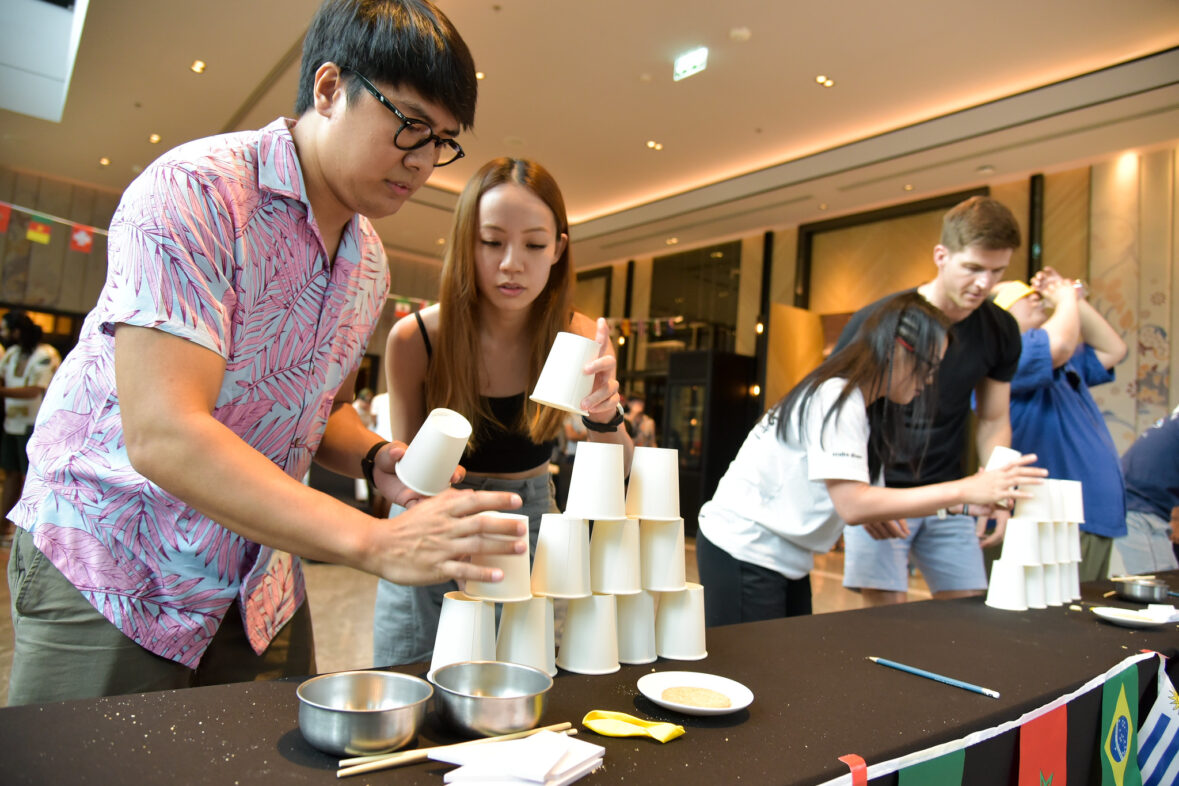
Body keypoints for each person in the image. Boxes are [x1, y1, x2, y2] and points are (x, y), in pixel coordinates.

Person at [6, 0, 529, 706]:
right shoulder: (196, 193)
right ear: (327, 88)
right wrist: (371, 543)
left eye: (442, 140)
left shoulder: (367, 260)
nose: (423, 161)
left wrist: (376, 458)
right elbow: (164, 434)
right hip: (117, 563)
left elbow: (319, 410)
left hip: (256, 575)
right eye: (408, 125)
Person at [373, 157, 633, 666]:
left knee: (518, 687)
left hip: (529, 518)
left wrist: (606, 414)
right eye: (492, 241)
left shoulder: (580, 336)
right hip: (434, 516)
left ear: (558, 249)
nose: (512, 263)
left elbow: (616, 473)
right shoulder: (418, 338)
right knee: (414, 682)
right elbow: (406, 478)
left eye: (534, 244)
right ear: (466, 242)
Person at [696, 293, 1045, 624]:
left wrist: (956, 506)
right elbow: (854, 505)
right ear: (896, 350)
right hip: (746, 548)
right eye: (929, 365)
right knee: (754, 672)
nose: (931, 379)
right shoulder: (836, 396)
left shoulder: (867, 408)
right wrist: (964, 491)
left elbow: (867, 504)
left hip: (784, 558)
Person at [836, 196, 1024, 605]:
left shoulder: (1001, 329)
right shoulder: (881, 319)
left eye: (997, 271)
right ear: (941, 255)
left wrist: (998, 490)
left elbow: (994, 419)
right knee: (887, 619)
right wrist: (866, 494)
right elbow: (839, 411)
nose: (984, 284)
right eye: (973, 268)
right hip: (881, 490)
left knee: (968, 614)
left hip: (951, 492)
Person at [990, 267, 1128, 581]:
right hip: (1050, 518)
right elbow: (1060, 344)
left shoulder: (1064, 365)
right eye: (1024, 297)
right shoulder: (1008, 356)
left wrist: (1071, 297)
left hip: (1087, 515)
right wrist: (1065, 296)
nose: (1035, 298)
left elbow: (1113, 349)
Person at [0, 311, 61, 542]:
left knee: (31, 478)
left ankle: (25, 531)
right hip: (11, 422)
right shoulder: (12, 354)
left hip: (35, 425)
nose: (3, 334)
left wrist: (2, 392)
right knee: (11, 475)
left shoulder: (45, 355)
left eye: (6, 329)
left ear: (17, 331)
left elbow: (35, 390)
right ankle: (3, 527)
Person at [1116, 404, 1179, 573]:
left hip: (1135, 505)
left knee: (1168, 583)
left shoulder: (1173, 425)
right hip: (1139, 511)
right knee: (1162, 587)